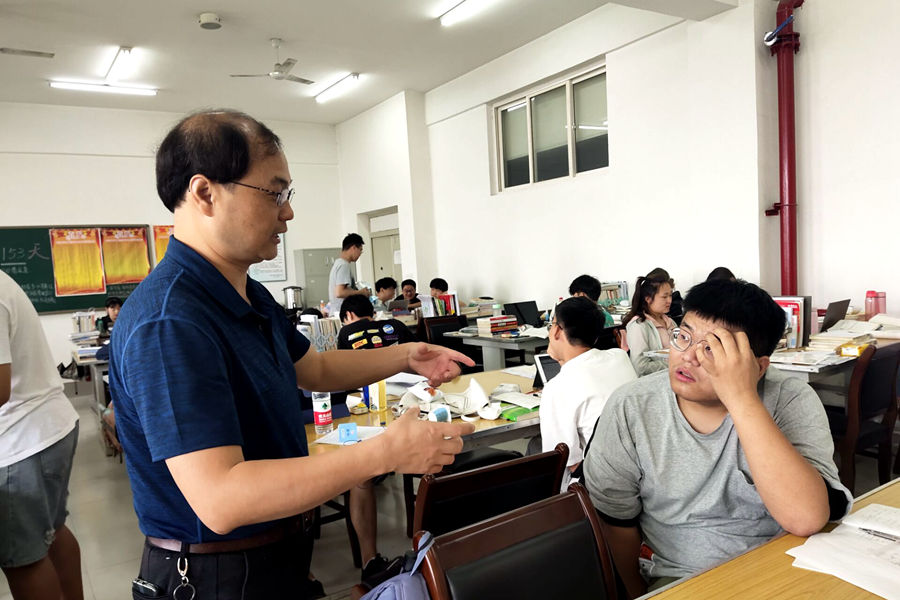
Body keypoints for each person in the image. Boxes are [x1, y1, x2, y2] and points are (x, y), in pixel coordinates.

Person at [109, 109, 475, 598]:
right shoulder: (170, 321)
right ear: (204, 194)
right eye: (274, 193)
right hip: (215, 577)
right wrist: (385, 452)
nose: (288, 213)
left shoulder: (244, 291)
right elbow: (222, 498)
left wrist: (406, 355)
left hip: (276, 556)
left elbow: (314, 368)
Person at [583, 279, 851, 598]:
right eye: (684, 336)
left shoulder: (789, 399)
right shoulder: (632, 407)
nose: (688, 357)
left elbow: (806, 518)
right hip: (682, 579)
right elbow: (615, 521)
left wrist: (741, 397)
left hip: (784, 568)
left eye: (714, 348)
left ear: (758, 367)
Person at [0, 270, 83, 600]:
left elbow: (0, 388)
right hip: (44, 427)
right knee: (51, 532)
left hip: (22, 439)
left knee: (22, 558)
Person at [335, 294, 416, 580]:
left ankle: (370, 558)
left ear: (348, 317)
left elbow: (341, 375)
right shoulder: (396, 325)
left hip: (367, 408)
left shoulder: (346, 334)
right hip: (411, 404)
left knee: (361, 475)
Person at [539, 297, 636, 490]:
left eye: (551, 325)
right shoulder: (620, 357)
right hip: (638, 468)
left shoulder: (557, 388)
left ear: (557, 330)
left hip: (598, 485)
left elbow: (565, 462)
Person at [622, 269, 677, 376]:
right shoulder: (639, 326)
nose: (669, 300)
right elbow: (640, 367)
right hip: (656, 381)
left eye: (670, 295)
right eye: (664, 297)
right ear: (648, 299)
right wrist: (674, 363)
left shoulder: (670, 322)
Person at [338, 295, 415, 350]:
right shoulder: (397, 324)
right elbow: (417, 348)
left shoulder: (345, 331)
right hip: (400, 367)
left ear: (349, 315)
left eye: (345, 322)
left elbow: (342, 363)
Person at [328, 233, 371, 317]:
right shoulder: (344, 265)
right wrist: (360, 292)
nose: (360, 253)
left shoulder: (338, 263)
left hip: (337, 312)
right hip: (342, 314)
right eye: (360, 250)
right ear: (353, 248)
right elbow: (339, 292)